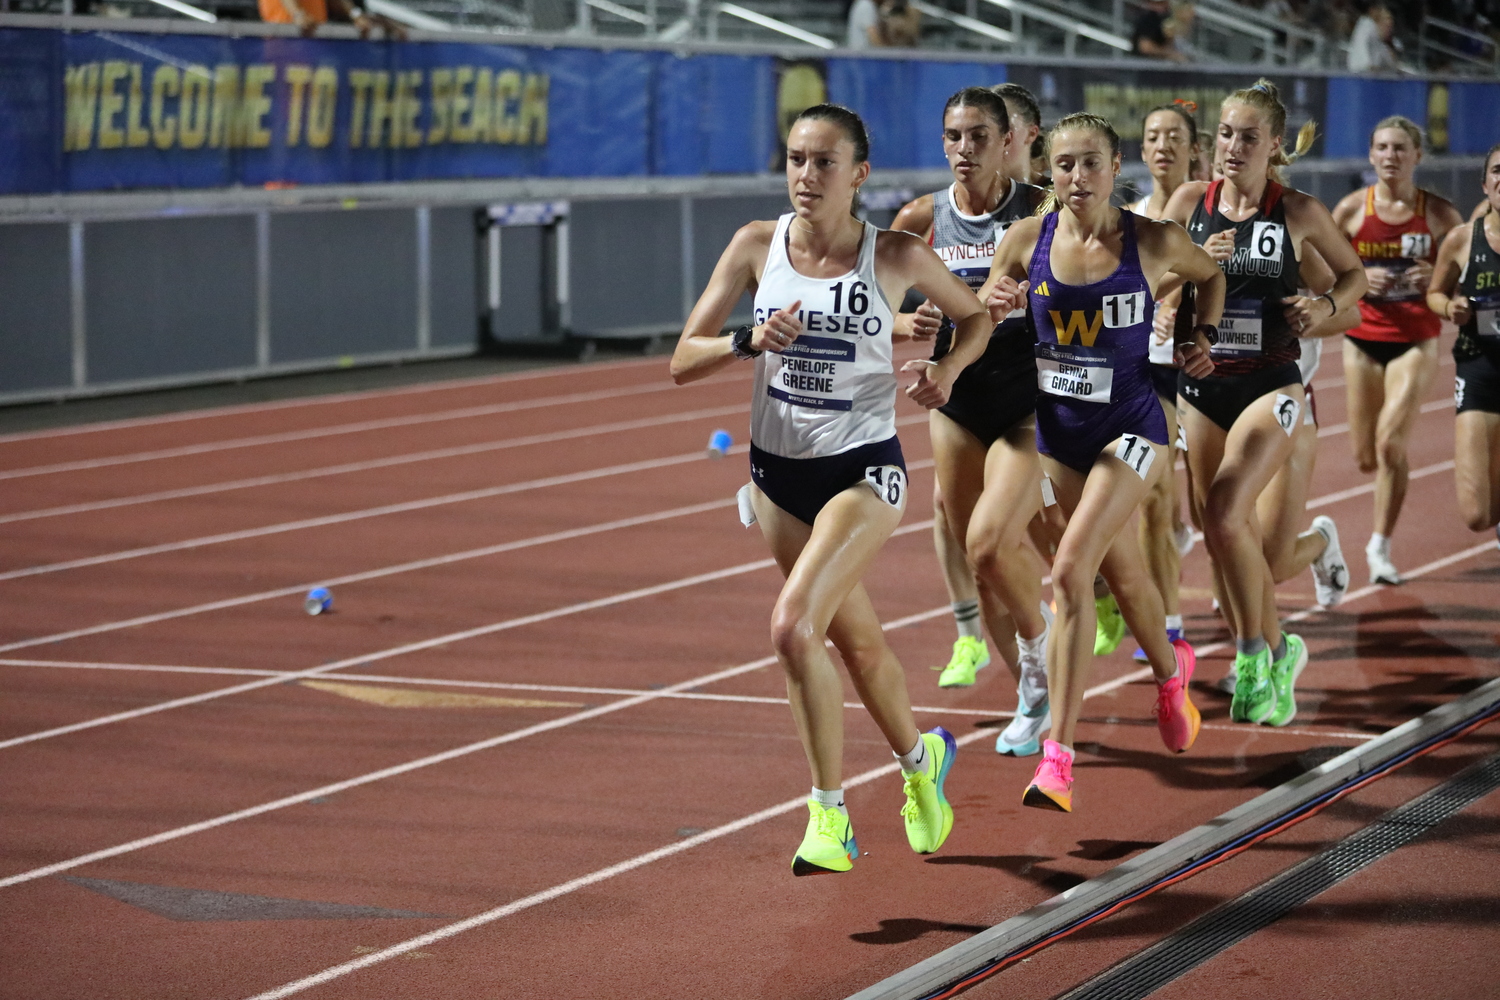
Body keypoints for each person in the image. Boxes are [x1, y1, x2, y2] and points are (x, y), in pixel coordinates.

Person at [669, 105, 992, 875]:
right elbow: (682, 358)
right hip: (777, 479)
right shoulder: (756, 244)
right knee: (855, 640)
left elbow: (974, 318)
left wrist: (947, 370)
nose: (806, 176)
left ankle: (829, 815)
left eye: (823, 162)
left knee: (790, 629)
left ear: (859, 174)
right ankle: (922, 765)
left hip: (862, 473)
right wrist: (746, 340)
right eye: (796, 159)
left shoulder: (898, 256)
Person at [979, 112, 1223, 813]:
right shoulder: (1028, 238)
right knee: (1118, 571)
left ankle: (1057, 758)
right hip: (1061, 434)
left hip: (1134, 428)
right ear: (1046, 174)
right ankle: (1173, 676)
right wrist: (993, 306)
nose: (1076, 178)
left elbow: (1211, 276)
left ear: (1118, 169)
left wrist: (1199, 336)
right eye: (1063, 166)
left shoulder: (1153, 241)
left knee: (1068, 568)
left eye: (1091, 164)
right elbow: (988, 311)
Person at [1162, 79, 1367, 728]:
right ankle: (1281, 650)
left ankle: (1253, 653)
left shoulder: (1299, 212)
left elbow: (1354, 276)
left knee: (1226, 513)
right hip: (1200, 384)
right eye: (1224, 133)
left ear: (1274, 145)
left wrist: (1326, 304)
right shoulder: (1190, 201)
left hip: (1271, 384)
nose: (1231, 146)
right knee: (1220, 534)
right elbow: (1148, 281)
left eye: (1248, 136)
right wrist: (1193, 262)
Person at [890, 88, 1052, 758]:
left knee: (992, 543)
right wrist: (910, 321)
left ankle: (1046, 645)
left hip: (1030, 395)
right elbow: (874, 308)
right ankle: (1032, 696)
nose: (964, 151)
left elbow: (1089, 288)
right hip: (955, 397)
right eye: (953, 137)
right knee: (979, 561)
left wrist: (1030, 297)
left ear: (1007, 140)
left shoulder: (1040, 208)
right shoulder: (922, 216)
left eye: (978, 137)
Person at [1331, 117, 1464, 584]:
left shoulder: (1437, 213)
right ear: (1371, 155)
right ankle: (1379, 532)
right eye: (1383, 147)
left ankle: (1379, 546)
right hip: (1362, 339)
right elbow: (1319, 271)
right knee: (1365, 456)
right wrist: (1361, 281)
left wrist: (1438, 276)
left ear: (1417, 157)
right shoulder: (1350, 210)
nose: (1391, 156)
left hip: (1415, 339)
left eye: (1401, 148)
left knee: (1391, 445)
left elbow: (1474, 259)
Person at [1129, 101, 1203, 663]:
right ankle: (1171, 625)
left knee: (1203, 506)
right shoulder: (1129, 218)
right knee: (1153, 492)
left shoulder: (1214, 210)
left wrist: (1176, 292)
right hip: (1145, 367)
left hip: (1204, 369)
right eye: (1154, 136)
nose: (1163, 146)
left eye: (1175, 136)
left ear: (1194, 148)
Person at [1427, 143, 1500, 540]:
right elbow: (1435, 294)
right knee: (1476, 513)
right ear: (1486, 183)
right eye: (1498, 171)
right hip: (1479, 368)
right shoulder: (1462, 240)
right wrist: (1449, 306)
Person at [1347, 3, 1399, 72]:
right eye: (1386, 26)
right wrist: (1368, 65)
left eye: (1390, 27)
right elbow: (1361, 45)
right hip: (1358, 74)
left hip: (1374, 77)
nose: (1389, 30)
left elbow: (1391, 63)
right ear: (1378, 23)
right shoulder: (1366, 25)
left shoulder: (1383, 43)